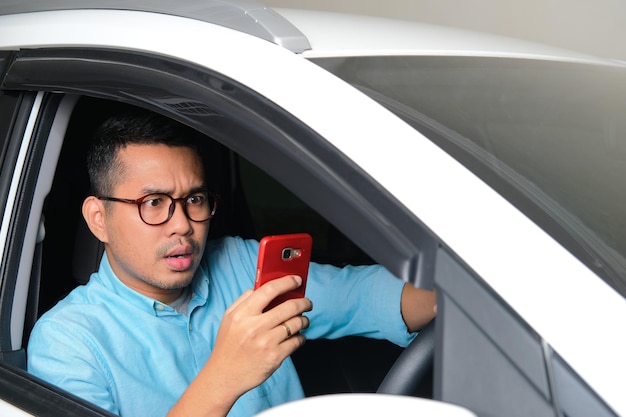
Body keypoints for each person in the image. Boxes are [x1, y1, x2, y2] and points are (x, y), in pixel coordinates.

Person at [27, 110, 436, 417]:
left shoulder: (239, 264)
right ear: (99, 218)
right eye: (154, 203)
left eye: (195, 200)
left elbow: (368, 297)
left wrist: (469, 290)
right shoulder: (67, 342)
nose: (183, 226)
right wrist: (225, 376)